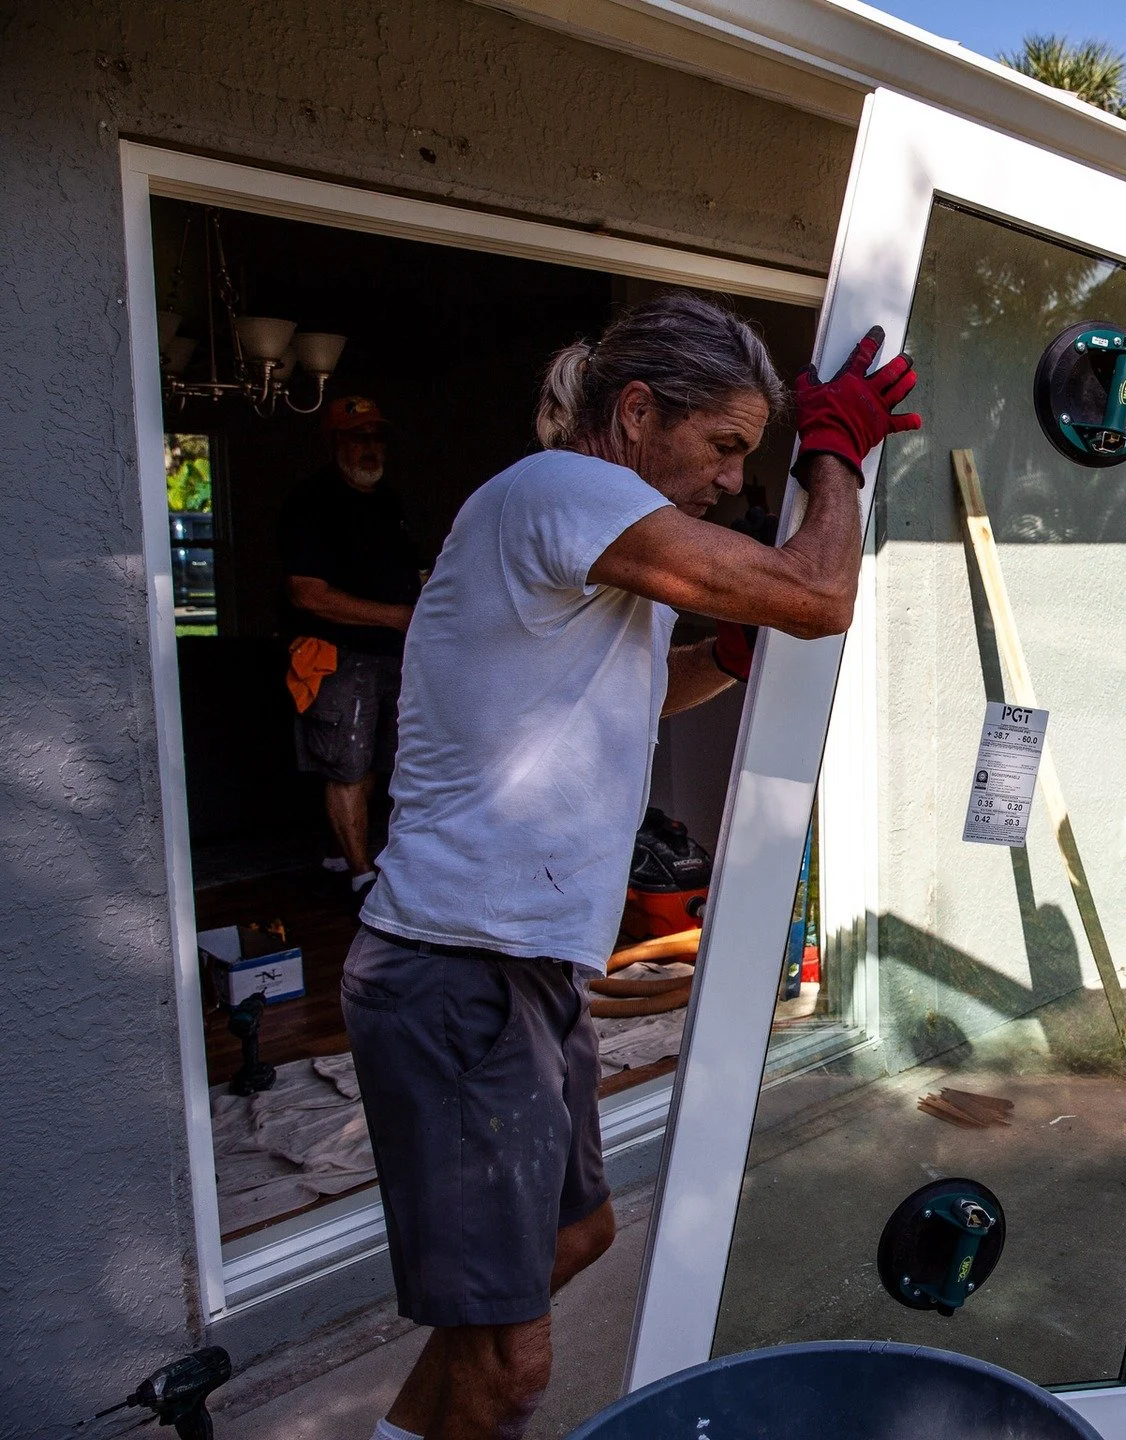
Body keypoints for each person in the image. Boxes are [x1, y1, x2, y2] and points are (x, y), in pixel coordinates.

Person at [341, 295, 920, 1440]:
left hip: (522, 970)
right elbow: (821, 591)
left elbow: (652, 687)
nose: (726, 483)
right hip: (456, 973)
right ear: (638, 411)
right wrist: (831, 454)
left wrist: (731, 647)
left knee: (573, 1241)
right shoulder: (566, 490)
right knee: (509, 1366)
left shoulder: (592, 539)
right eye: (721, 449)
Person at [278, 396, 424, 899]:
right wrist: (395, 616)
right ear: (335, 442)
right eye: (358, 437)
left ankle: (342, 854)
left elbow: (406, 571)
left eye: (376, 437)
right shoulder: (311, 503)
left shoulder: (387, 501)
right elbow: (306, 592)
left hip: (393, 655)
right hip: (335, 655)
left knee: (386, 765)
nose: (370, 448)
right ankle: (363, 878)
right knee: (347, 766)